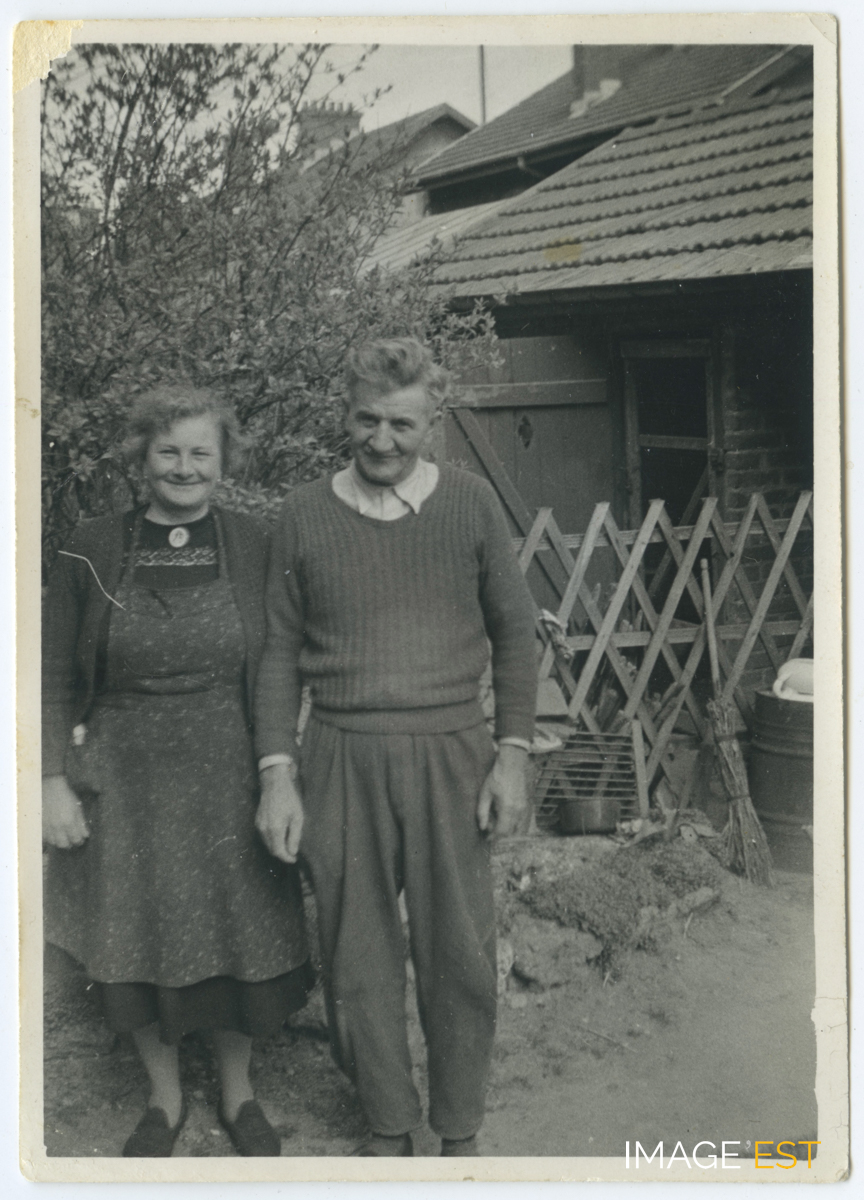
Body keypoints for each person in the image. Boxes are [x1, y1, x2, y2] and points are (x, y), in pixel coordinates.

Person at [253, 337, 537, 1156]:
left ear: (432, 422)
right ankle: (387, 1119)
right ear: (345, 415)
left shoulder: (471, 504)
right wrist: (278, 774)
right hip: (340, 754)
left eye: (402, 424)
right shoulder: (303, 513)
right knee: (356, 955)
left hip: (452, 752)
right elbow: (277, 653)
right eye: (367, 420)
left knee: (460, 953)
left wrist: (512, 757)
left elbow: (516, 636)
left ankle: (458, 1127)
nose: (382, 440)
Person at [42, 385, 314, 1158]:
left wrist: (277, 772)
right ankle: (163, 1100)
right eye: (169, 451)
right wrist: (49, 780)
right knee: (133, 936)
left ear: (225, 461)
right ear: (142, 458)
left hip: (228, 771)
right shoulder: (92, 545)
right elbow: (49, 671)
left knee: (237, 932)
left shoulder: (254, 544)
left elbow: (277, 662)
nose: (185, 468)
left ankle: (238, 1093)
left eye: (201, 452)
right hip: (121, 779)